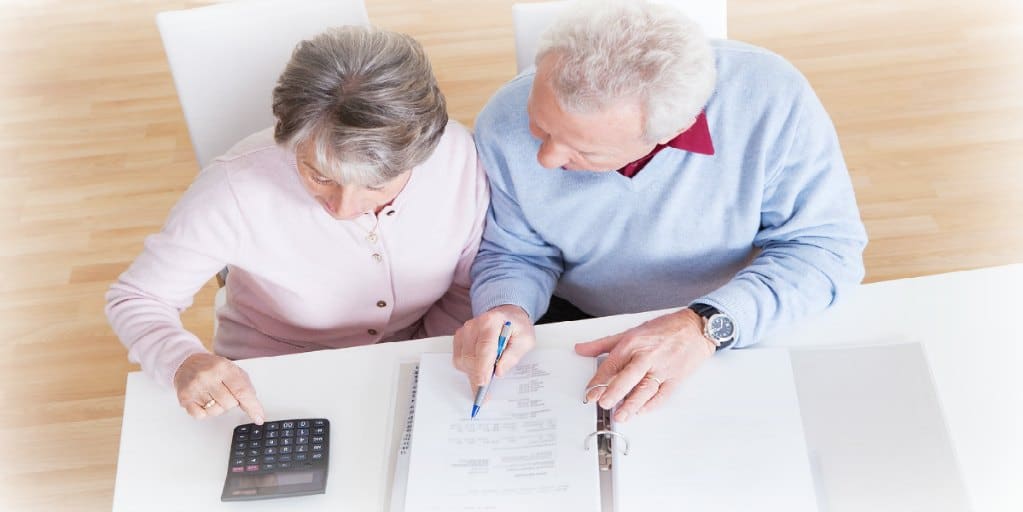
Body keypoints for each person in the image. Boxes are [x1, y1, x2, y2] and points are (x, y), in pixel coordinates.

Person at [453, 0, 867, 423]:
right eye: (539, 126)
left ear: (672, 130)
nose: (544, 159)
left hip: (733, 314)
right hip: (579, 322)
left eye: (583, 149)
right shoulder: (502, 120)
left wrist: (703, 325)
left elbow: (824, 249)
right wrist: (507, 309)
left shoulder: (772, 99)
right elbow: (515, 252)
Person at [106, 26, 488, 424]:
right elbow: (139, 298)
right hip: (270, 381)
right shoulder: (235, 188)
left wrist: (423, 363)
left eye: (375, 184)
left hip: (418, 366)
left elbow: (466, 284)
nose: (343, 208)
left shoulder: (458, 158)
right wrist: (182, 359)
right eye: (319, 175)